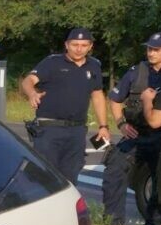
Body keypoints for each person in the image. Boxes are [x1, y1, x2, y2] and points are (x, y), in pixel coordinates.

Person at [20, 27, 110, 185]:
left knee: (70, 177)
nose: (79, 49)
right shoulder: (52, 62)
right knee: (45, 176)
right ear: (66, 45)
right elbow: (28, 80)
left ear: (90, 46)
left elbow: (97, 95)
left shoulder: (94, 66)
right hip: (50, 129)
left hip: (76, 130)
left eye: (83, 45)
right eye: (75, 44)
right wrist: (32, 93)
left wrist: (103, 126)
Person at [102, 32, 161, 225]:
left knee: (160, 180)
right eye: (149, 48)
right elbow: (115, 99)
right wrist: (121, 123)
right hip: (136, 134)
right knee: (115, 167)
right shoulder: (136, 71)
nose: (151, 52)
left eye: (156, 49)